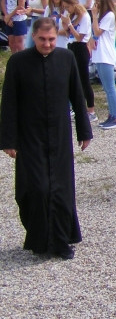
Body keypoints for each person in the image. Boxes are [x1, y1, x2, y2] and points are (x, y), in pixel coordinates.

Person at [0, 18, 93, 259]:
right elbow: (9, 102)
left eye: (52, 39)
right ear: (33, 37)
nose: (48, 44)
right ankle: (39, 240)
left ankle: (61, 241)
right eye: (42, 39)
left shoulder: (66, 58)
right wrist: (8, 139)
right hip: (29, 136)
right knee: (37, 188)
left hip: (60, 134)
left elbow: (77, 94)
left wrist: (84, 131)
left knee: (61, 189)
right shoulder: (18, 62)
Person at [90, 0, 116, 130]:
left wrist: (93, 15)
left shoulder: (109, 15)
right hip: (99, 54)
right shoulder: (102, 16)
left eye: (97, 1)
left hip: (106, 55)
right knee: (106, 87)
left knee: (110, 87)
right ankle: (111, 114)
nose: (95, 4)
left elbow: (97, 32)